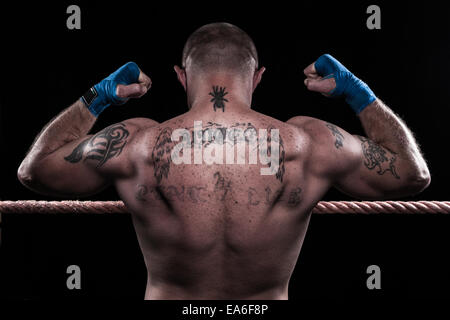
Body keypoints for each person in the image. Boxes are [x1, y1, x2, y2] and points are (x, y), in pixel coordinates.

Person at [17, 22, 430, 299]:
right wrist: (357, 93)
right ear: (257, 77)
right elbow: (412, 174)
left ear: (182, 76)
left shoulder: (139, 142)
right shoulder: (309, 142)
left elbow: (35, 170)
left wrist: (100, 95)